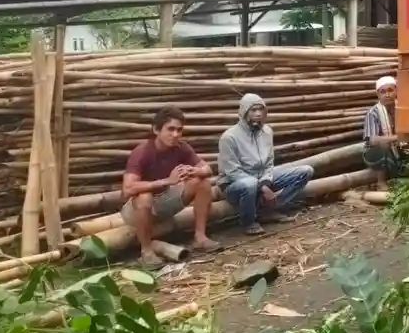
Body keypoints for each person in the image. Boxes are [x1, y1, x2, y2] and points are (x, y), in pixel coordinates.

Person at [121, 107, 219, 268]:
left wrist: (195, 170)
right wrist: (167, 181)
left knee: (202, 182)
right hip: (136, 209)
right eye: (170, 129)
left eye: (179, 130)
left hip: (164, 202)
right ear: (156, 129)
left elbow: (207, 169)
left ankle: (200, 238)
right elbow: (128, 189)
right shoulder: (142, 152)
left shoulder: (181, 147)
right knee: (144, 196)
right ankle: (146, 252)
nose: (175, 135)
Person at [218, 93, 314, 235]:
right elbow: (232, 171)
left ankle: (267, 210)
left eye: (261, 110)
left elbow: (269, 163)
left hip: (261, 178)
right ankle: (248, 222)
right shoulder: (229, 137)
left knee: (306, 171)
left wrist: (264, 183)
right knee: (249, 183)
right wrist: (261, 186)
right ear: (244, 112)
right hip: (235, 184)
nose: (258, 114)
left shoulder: (267, 132)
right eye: (253, 110)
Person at [363, 75, 408, 185]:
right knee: (382, 144)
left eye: (390, 90)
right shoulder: (373, 113)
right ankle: (381, 182)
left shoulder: (404, 109)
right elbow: (372, 140)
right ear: (378, 94)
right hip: (375, 154)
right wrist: (396, 138)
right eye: (383, 92)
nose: (387, 95)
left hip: (399, 149)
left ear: (396, 91)